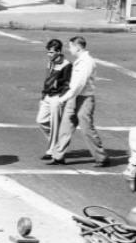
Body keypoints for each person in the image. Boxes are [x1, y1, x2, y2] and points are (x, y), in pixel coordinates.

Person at [49, 36, 108, 166]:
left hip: (84, 99)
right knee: (66, 126)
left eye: (71, 46)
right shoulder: (80, 61)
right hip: (74, 97)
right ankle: (58, 156)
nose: (69, 49)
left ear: (77, 47)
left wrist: (62, 99)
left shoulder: (86, 62)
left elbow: (78, 85)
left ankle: (101, 157)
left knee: (87, 128)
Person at [37, 39, 72, 160]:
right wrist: (43, 95)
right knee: (41, 120)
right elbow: (47, 80)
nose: (49, 54)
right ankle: (57, 144)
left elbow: (67, 84)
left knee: (55, 125)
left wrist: (61, 98)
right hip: (48, 95)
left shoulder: (66, 65)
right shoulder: (50, 62)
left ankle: (52, 151)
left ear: (58, 51)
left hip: (57, 97)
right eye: (48, 52)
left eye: (51, 52)